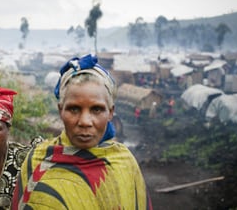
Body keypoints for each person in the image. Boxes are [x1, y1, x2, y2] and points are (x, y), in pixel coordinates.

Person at [11, 54, 152, 209]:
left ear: (111, 113)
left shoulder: (125, 163)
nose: (85, 122)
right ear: (60, 110)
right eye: (74, 109)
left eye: (97, 109)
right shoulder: (37, 161)